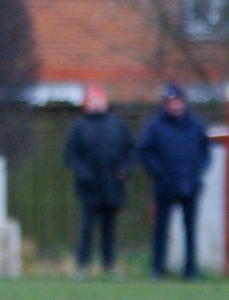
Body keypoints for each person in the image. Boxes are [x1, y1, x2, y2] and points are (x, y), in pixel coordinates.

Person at [139, 83, 210, 280]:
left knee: (190, 230)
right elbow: (145, 152)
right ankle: (158, 269)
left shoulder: (196, 126)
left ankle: (190, 270)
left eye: (177, 101)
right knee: (161, 230)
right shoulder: (155, 126)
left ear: (183, 102)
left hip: (189, 185)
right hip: (164, 186)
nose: (174, 105)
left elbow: (205, 154)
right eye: (170, 102)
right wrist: (159, 173)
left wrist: (196, 173)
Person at [63, 84, 134, 279]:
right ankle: (82, 266)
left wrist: (125, 170)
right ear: (87, 104)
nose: (96, 104)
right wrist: (83, 173)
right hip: (89, 188)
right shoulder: (79, 127)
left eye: (99, 99)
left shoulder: (117, 125)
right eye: (92, 100)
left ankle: (109, 265)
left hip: (112, 187)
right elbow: (70, 154)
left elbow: (131, 151)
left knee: (109, 230)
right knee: (86, 229)